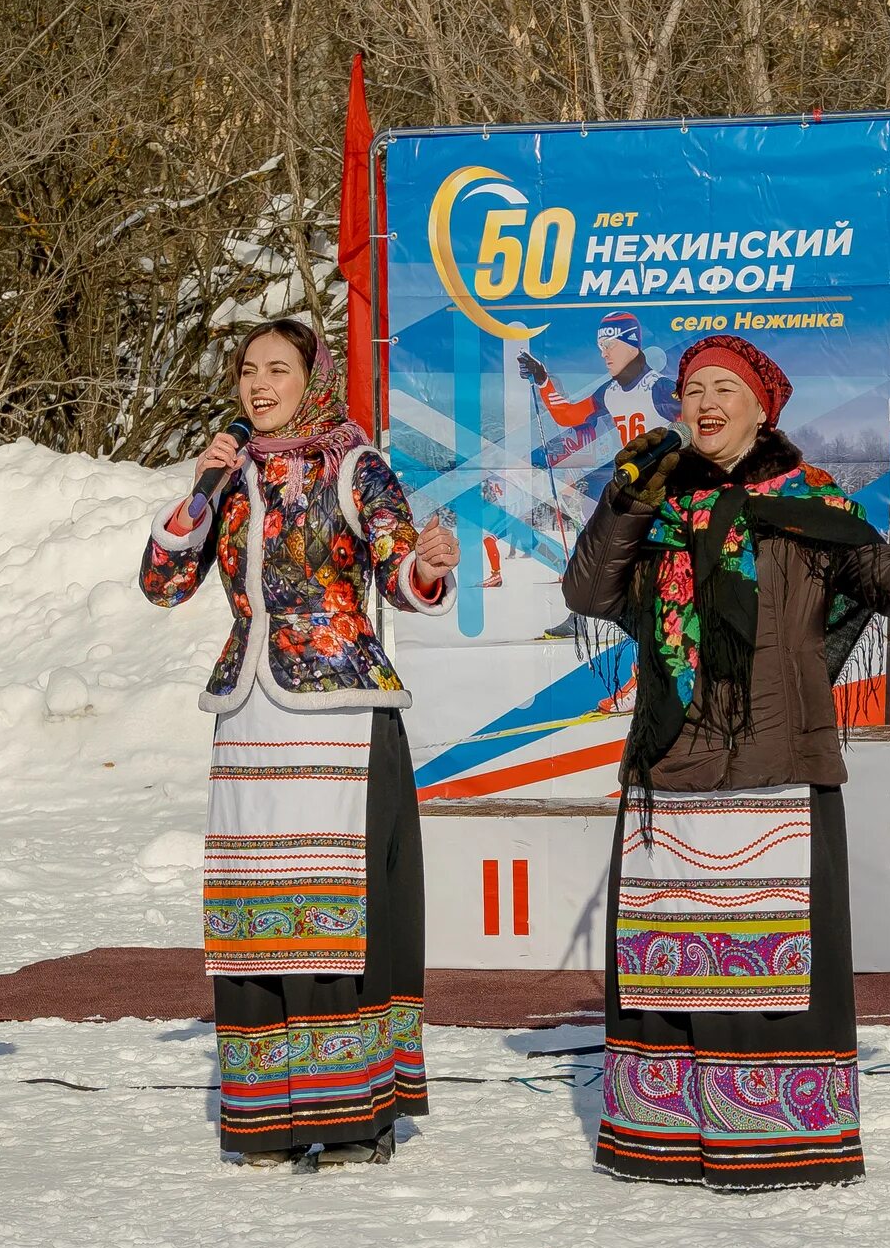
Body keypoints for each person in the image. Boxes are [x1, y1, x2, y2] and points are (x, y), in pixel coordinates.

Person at [561, 334, 890, 1189]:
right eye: (692, 390)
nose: (704, 404)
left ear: (762, 407)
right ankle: (662, 1138)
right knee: (673, 958)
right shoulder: (658, 503)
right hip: (673, 764)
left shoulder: (811, 502)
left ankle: (778, 1140)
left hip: (779, 765)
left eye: (724, 389)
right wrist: (626, 496)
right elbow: (589, 593)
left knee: (774, 965)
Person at [142, 319, 461, 1170]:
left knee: (339, 908)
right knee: (259, 911)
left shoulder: (355, 465)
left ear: (311, 378)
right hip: (251, 710)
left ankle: (354, 1111)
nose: (258, 385)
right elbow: (161, 582)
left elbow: (400, 568)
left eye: (276, 369)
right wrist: (203, 484)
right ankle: (267, 1116)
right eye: (247, 370)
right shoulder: (232, 474)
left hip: (341, 714)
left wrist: (427, 563)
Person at [527, 310, 680, 468]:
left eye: (608, 345)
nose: (603, 354)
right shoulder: (609, 392)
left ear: (632, 344)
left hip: (666, 484)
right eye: (601, 346)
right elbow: (567, 416)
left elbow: (695, 436)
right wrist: (543, 381)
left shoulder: (661, 388)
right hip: (633, 482)